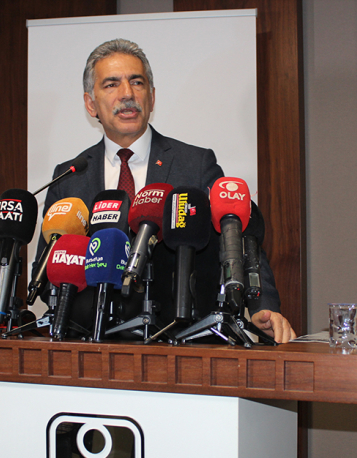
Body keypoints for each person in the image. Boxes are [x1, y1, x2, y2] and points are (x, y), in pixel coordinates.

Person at [34, 39, 296, 343]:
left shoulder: (196, 164)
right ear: (90, 103)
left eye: (137, 82)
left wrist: (263, 307)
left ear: (152, 96)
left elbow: (238, 241)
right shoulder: (69, 177)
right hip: (91, 343)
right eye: (111, 84)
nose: (127, 94)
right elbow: (48, 269)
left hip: (181, 341)